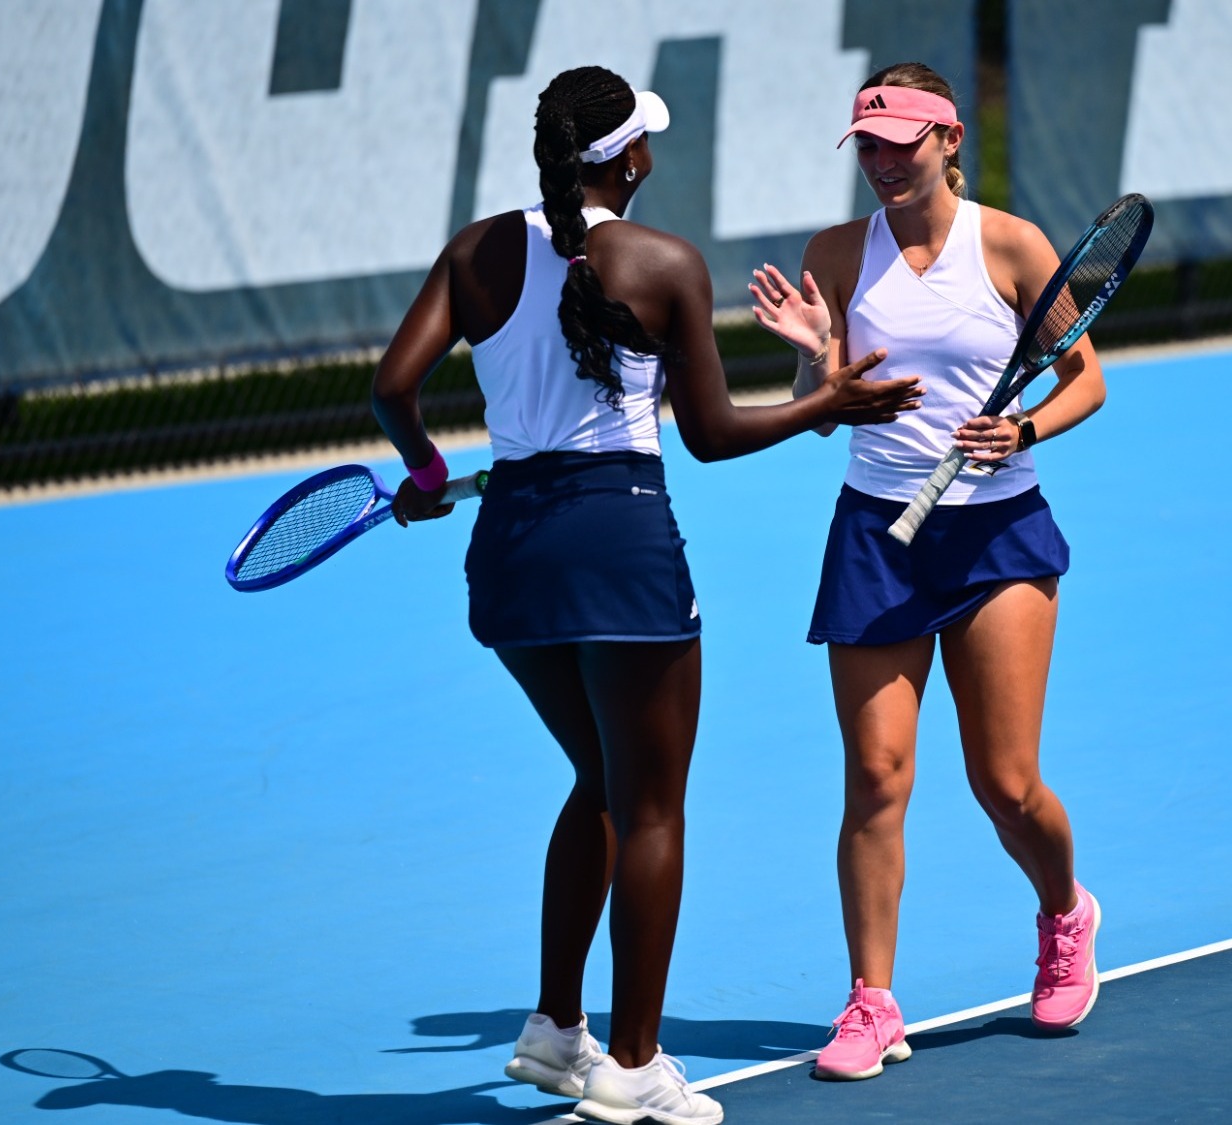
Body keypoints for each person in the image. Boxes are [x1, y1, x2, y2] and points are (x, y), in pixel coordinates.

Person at [370, 66, 922, 1125]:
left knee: (599, 777)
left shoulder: (477, 250)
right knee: (651, 800)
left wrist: (430, 475)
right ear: (626, 159)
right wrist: (829, 405)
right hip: (618, 545)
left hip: (511, 556)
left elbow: (393, 388)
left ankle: (552, 1030)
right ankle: (632, 1066)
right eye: (647, 142)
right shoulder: (663, 262)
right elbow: (711, 437)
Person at [747, 62, 1107, 1082]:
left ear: (948, 139)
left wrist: (1022, 426)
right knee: (873, 779)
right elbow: (821, 402)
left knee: (1003, 782)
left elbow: (1085, 378)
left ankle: (1062, 914)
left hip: (995, 540)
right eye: (867, 145)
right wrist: (817, 360)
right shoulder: (834, 253)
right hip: (877, 534)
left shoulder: (1009, 244)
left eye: (901, 143)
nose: (883, 163)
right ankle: (869, 1002)